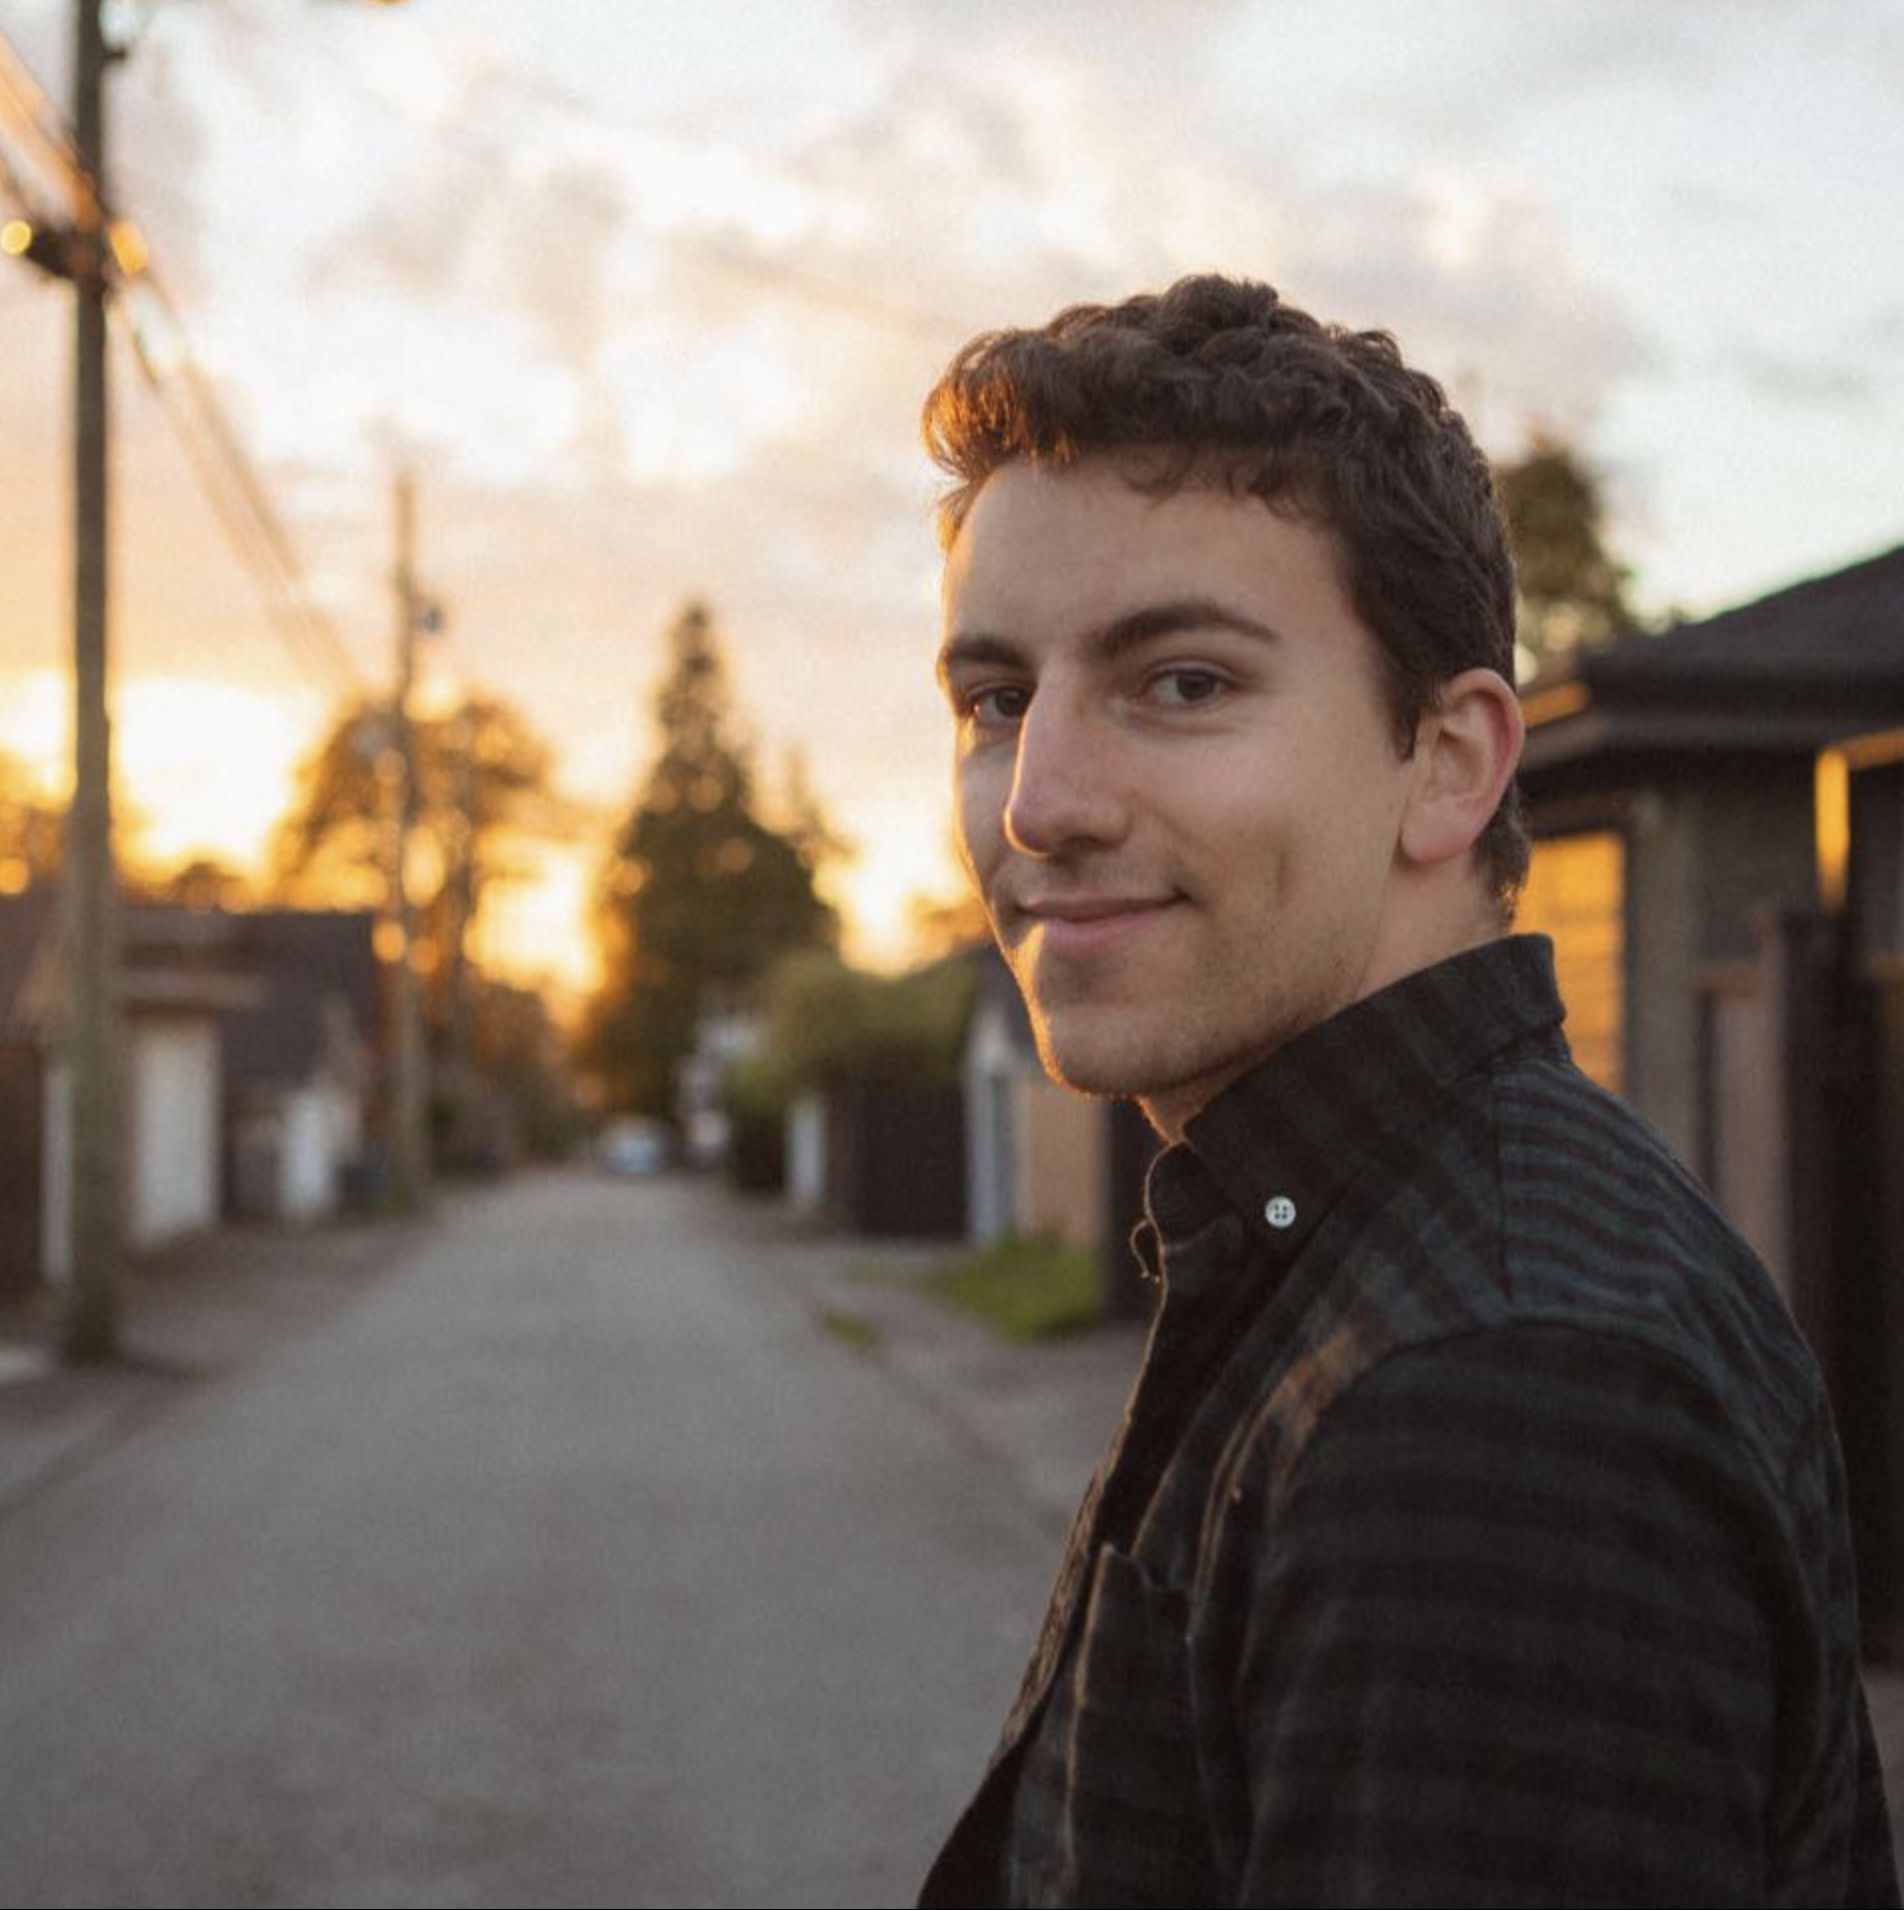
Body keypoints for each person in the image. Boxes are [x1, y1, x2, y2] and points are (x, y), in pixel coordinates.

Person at [914, 274, 1900, 1908]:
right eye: (997, 700)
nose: (1038, 802)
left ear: (1447, 763)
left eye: (1183, 682)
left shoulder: (1490, 1398)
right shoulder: (1339, 1247)